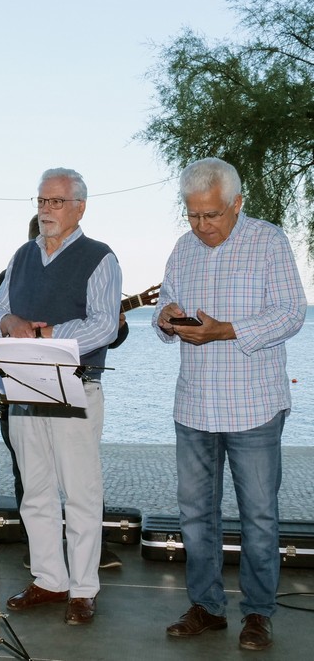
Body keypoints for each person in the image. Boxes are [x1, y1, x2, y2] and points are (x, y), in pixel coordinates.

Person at [154, 158, 306, 652]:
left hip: (254, 405)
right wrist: (167, 317)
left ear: (237, 203)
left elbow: (290, 313)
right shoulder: (183, 249)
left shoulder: (270, 241)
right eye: (193, 216)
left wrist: (229, 330)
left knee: (259, 516)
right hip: (194, 404)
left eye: (211, 216)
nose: (201, 227)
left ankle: (258, 613)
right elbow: (166, 304)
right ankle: (206, 606)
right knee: (196, 516)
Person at [0, 168, 121, 625]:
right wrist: (8, 325)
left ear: (80, 206)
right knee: (36, 492)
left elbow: (104, 323)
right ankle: (49, 579)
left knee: (80, 493)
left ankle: (83, 589)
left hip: (76, 386)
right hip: (23, 388)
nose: (45, 209)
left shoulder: (100, 257)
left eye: (55, 202)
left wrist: (46, 335)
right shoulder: (23, 255)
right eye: (41, 201)